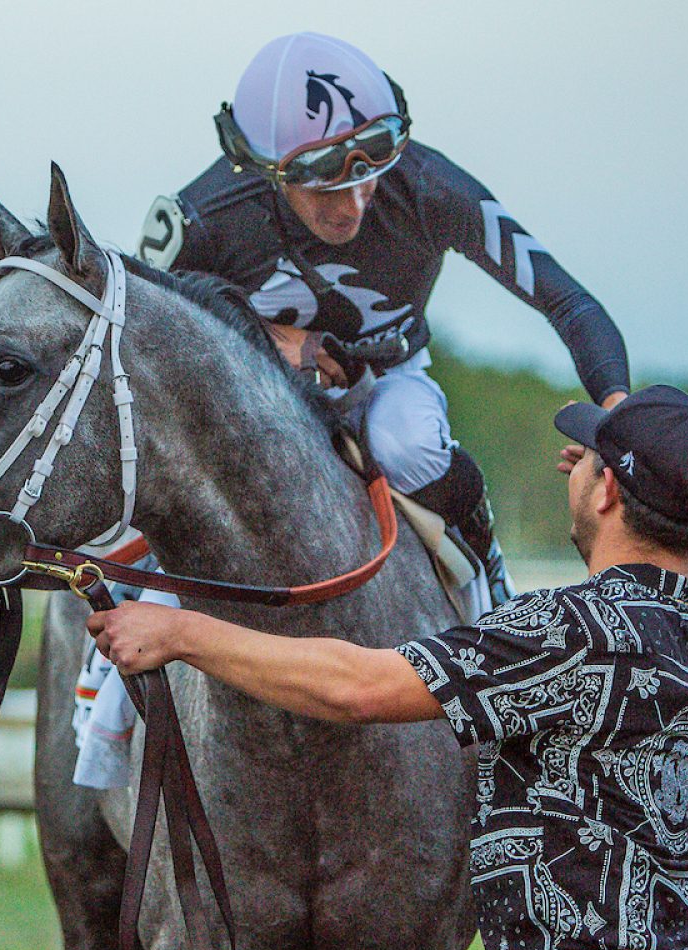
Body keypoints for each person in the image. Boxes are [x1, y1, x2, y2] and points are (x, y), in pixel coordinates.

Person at [89, 385, 688, 950]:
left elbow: (361, 687)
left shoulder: (562, 629)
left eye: (589, 465)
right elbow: (630, 606)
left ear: (607, 489)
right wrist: (612, 483)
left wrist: (183, 632)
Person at [137, 31, 632, 604]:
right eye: (324, 186)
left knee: (410, 445)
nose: (352, 206)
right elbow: (141, 338)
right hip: (252, 394)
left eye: (368, 172)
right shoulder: (203, 216)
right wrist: (267, 342)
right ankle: (95, 687)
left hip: (387, 377)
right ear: (262, 170)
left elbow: (567, 301)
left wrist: (620, 417)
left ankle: (489, 586)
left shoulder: (428, 186)